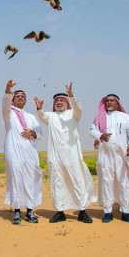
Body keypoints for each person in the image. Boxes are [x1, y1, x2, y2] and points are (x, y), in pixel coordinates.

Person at [35, 83, 96, 223]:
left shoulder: (73, 114)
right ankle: (60, 211)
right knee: (58, 184)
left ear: (67, 103)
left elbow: (79, 109)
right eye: (56, 101)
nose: (59, 102)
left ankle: (82, 211)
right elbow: (42, 116)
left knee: (77, 182)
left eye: (62, 100)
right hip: (56, 157)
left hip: (72, 157)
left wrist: (71, 95)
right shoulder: (50, 116)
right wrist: (39, 108)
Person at [90, 93, 129, 223]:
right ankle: (108, 211)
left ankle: (126, 211)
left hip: (122, 155)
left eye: (112, 101)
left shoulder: (125, 117)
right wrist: (100, 135)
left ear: (117, 103)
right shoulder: (100, 117)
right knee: (107, 181)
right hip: (105, 155)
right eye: (107, 101)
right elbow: (92, 130)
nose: (109, 103)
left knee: (123, 182)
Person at [3, 80, 43, 225]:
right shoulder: (8, 114)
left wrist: (32, 131)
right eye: (17, 96)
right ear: (12, 100)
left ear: (25, 100)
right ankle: (17, 212)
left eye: (22, 96)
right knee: (16, 179)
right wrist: (8, 91)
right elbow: (4, 104)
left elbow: (39, 133)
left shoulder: (31, 117)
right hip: (14, 152)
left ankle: (30, 211)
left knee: (30, 180)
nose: (20, 97)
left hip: (30, 153)